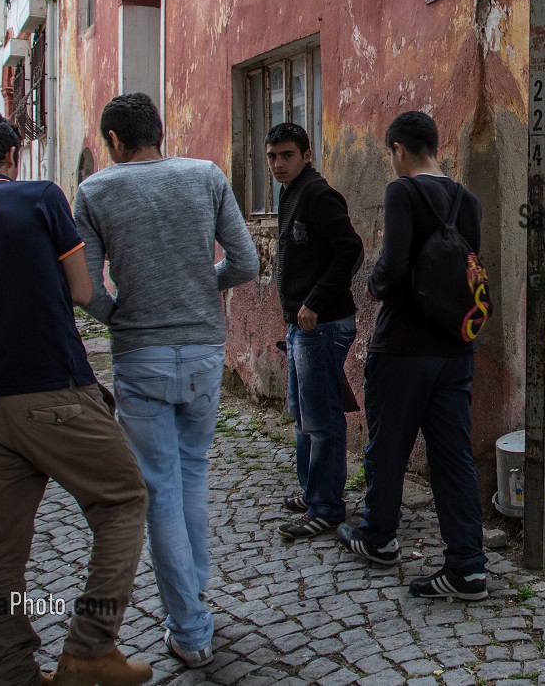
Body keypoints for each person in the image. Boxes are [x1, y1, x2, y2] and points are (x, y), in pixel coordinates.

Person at [0, 108, 151, 686]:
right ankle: (90, 645)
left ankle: (11, 670)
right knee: (122, 502)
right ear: (11, 155)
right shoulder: (39, 198)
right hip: (54, 390)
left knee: (1, 551)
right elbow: (83, 289)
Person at [73, 93, 258, 669]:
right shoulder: (204, 176)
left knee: (159, 489)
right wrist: (205, 285)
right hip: (202, 349)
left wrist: (120, 314)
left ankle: (190, 627)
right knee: (193, 473)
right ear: (160, 131)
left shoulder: (95, 192)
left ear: (113, 141)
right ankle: (194, 595)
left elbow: (88, 289)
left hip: (141, 355)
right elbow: (246, 263)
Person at [337, 110, 488, 600]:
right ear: (434, 144)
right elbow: (469, 270)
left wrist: (374, 285)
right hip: (454, 348)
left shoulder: (402, 191)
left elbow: (394, 265)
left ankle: (379, 537)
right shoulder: (469, 202)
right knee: (452, 457)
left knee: (387, 447)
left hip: (402, 346)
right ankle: (467, 567)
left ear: (398, 149)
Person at [265, 122, 364, 539]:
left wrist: (315, 302)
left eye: (286, 155)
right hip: (302, 326)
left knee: (321, 417)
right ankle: (312, 492)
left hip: (322, 325)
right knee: (303, 414)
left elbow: (351, 250)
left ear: (306, 155)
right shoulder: (291, 194)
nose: (277, 164)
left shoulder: (319, 195)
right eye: (271, 156)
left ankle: (327, 506)